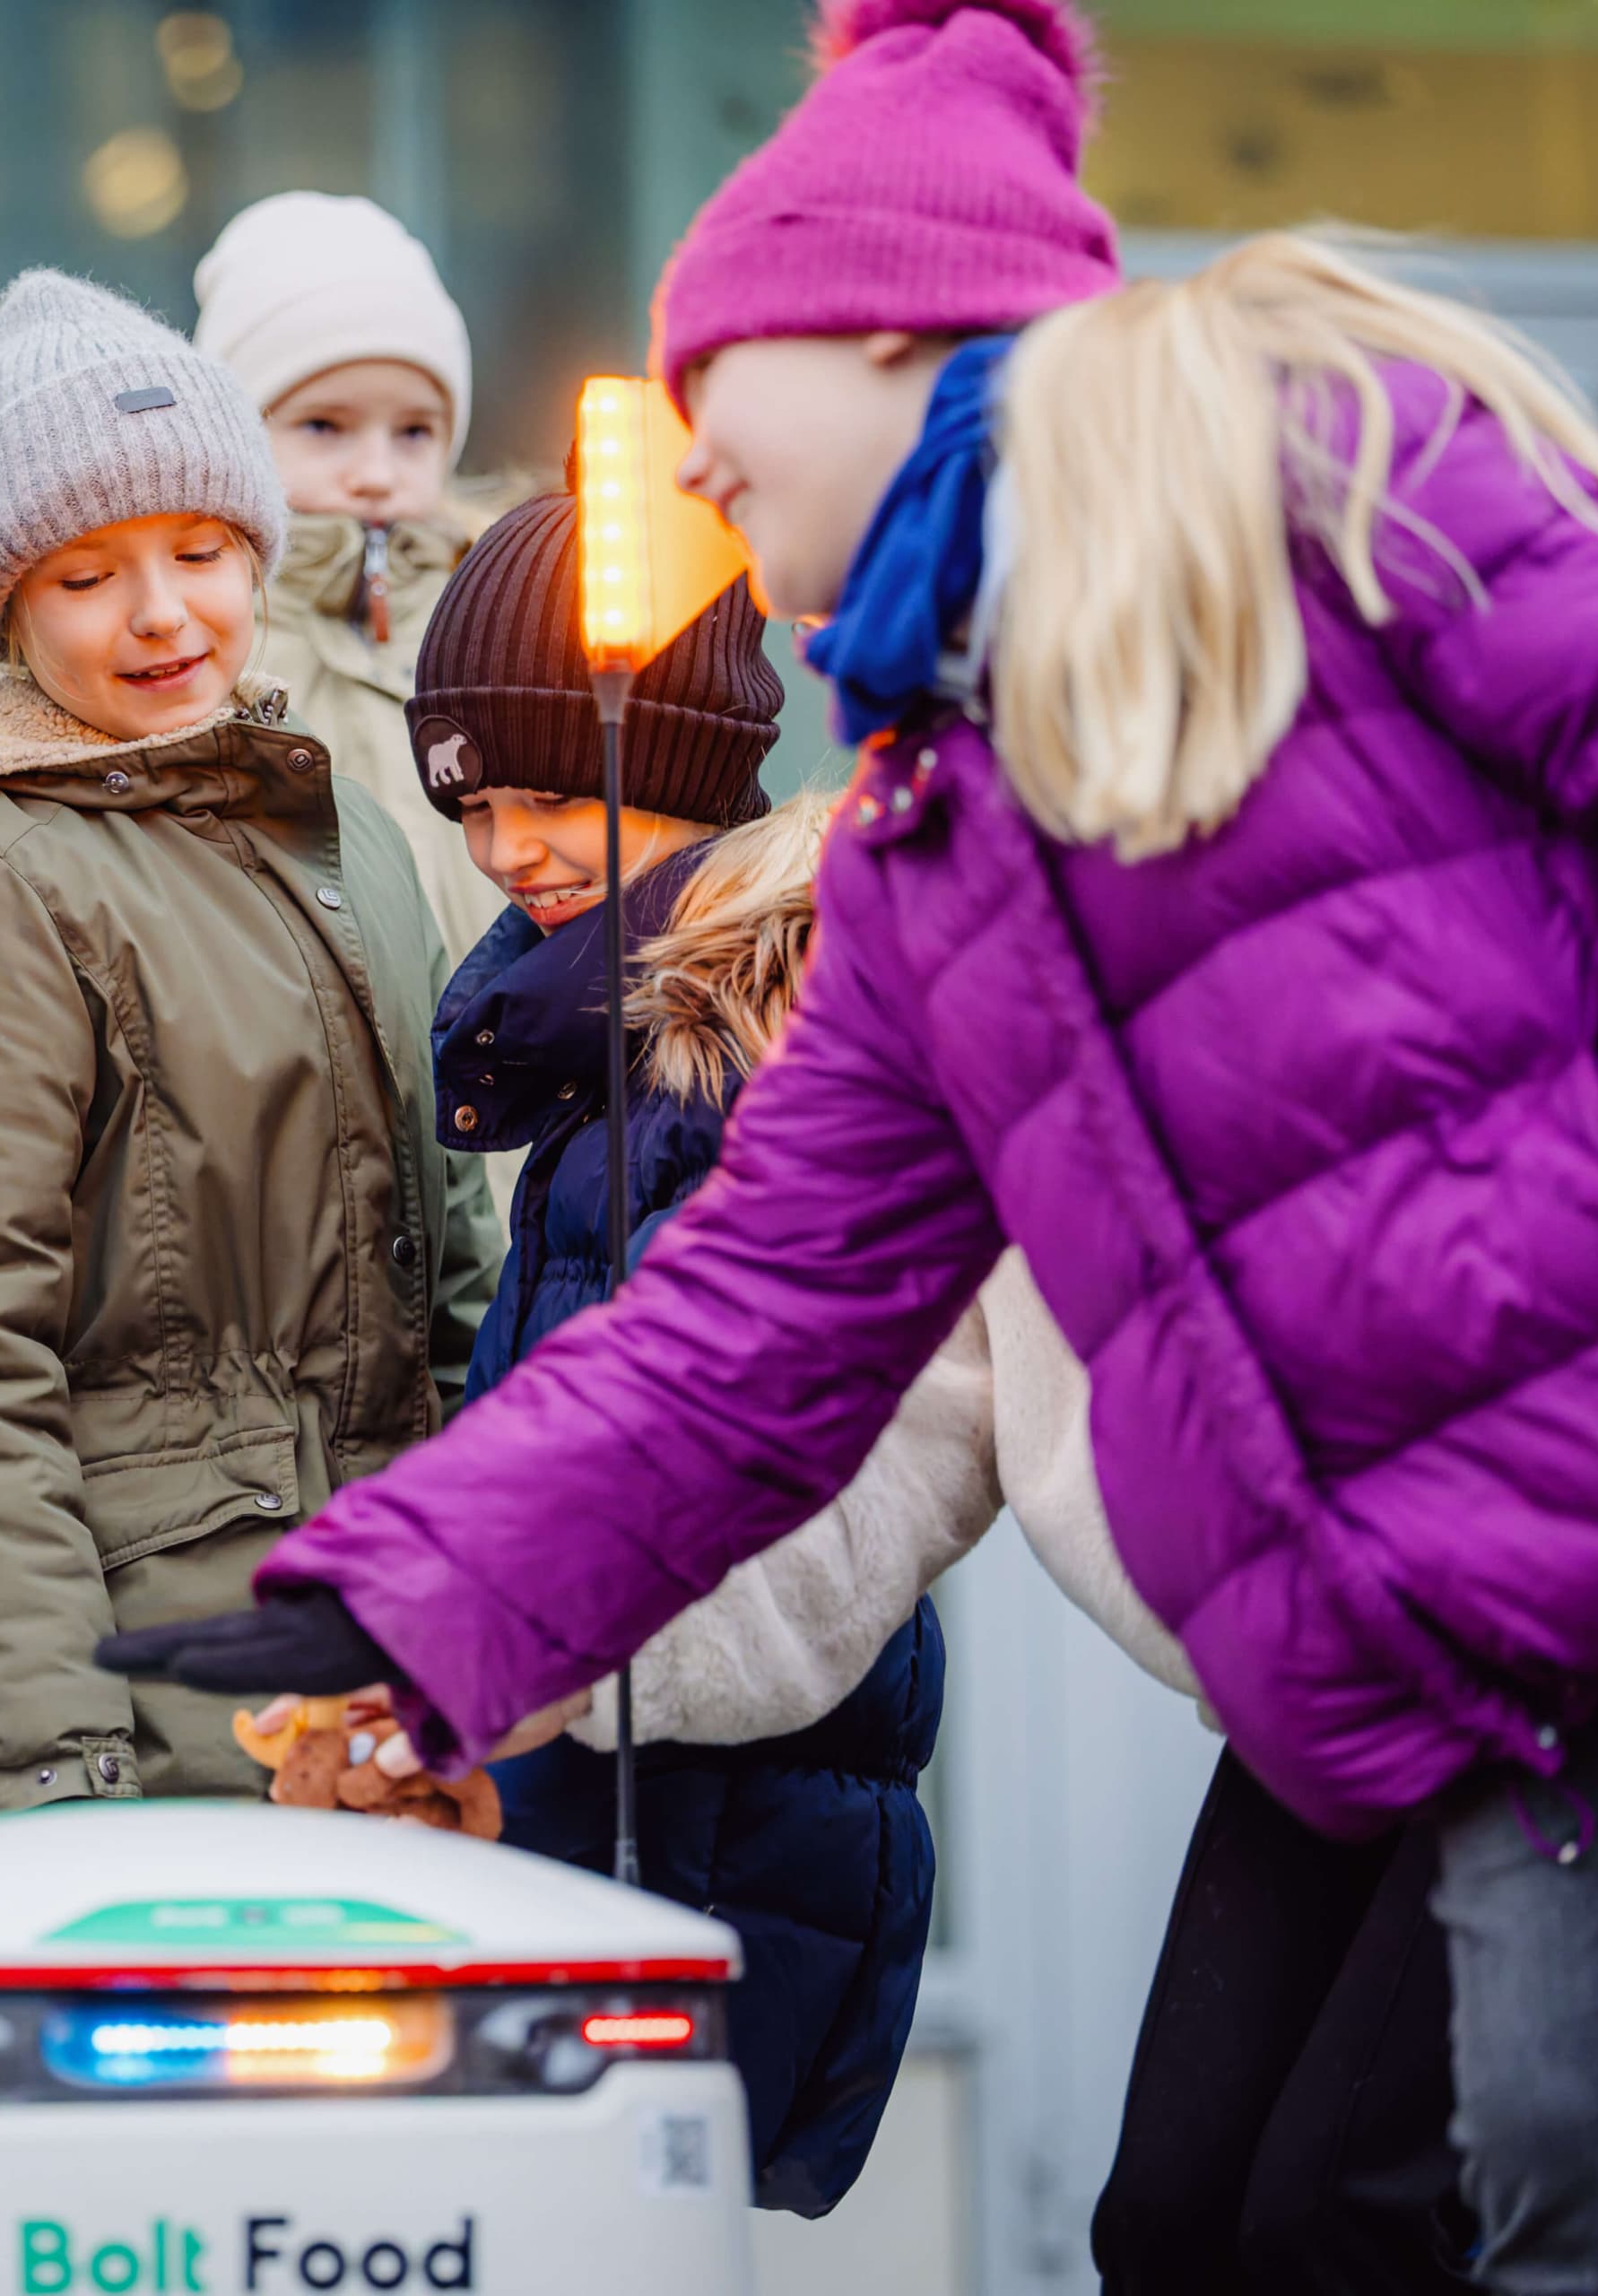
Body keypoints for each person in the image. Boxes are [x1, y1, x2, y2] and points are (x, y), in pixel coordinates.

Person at [105, 4, 1598, 2287]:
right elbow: (750, 1329)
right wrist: (413, 1600)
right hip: (1539, 1591)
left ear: (876, 325)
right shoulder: (929, 856)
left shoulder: (1318, 481)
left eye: (708, 385)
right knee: (1555, 2170)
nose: (687, 454)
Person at [0, 269, 499, 1814]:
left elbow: (464, 1270)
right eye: (87, 576)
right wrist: (54, 1764)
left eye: (203, 551)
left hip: (392, 1688)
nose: (163, 613)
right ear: (2, 606)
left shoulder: (345, 828)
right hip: (165, 1697)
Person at [410, 496, 943, 2214]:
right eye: (473, 805)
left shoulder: (726, 1060)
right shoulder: (620, 1054)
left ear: (689, 765)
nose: (505, 850)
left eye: (549, 794)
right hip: (633, 1785)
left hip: (703, 1815)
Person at [195, 191, 502, 960]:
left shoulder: (501, 624)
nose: (375, 473)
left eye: (414, 432)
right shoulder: (201, 643)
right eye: (323, 426)